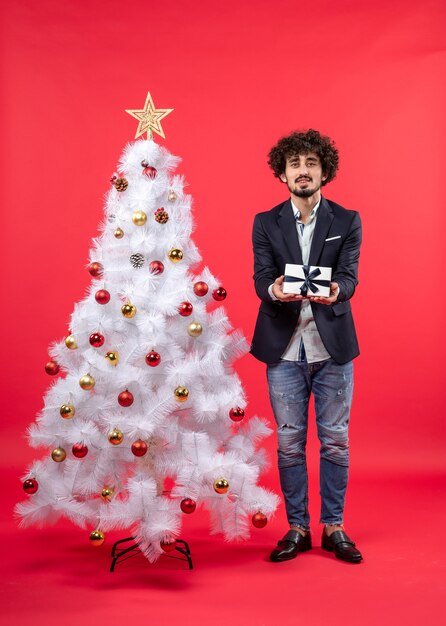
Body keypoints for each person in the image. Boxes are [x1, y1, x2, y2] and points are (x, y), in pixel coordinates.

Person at [250, 129, 363, 563]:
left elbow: (351, 276)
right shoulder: (265, 221)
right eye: (294, 164)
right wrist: (276, 290)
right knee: (289, 442)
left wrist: (338, 290)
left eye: (310, 164)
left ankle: (334, 526)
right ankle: (297, 527)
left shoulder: (347, 220)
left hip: (332, 347)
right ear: (282, 173)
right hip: (283, 349)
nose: (303, 171)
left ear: (324, 171)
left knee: (335, 440)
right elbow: (261, 278)